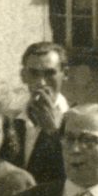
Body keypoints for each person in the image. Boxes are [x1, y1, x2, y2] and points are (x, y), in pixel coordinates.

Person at [13, 41, 69, 183]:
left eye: (50, 73)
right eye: (34, 73)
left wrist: (53, 133)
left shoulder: (79, 120)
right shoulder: (12, 122)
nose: (42, 82)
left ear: (65, 74)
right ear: (23, 75)